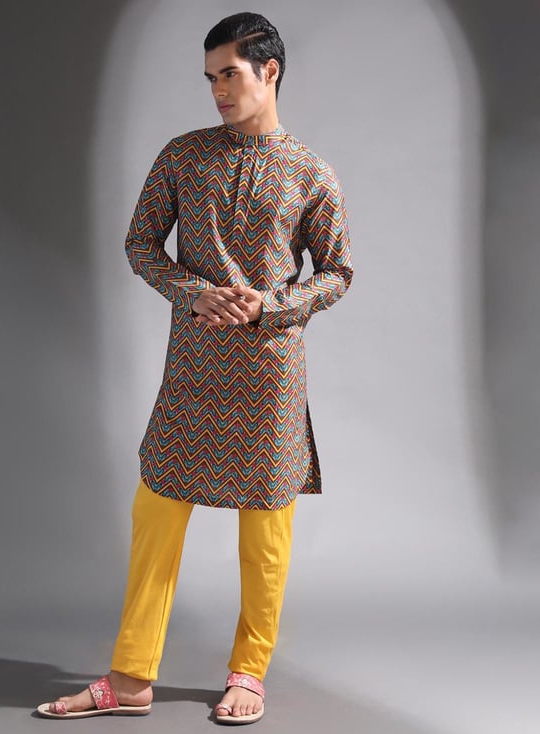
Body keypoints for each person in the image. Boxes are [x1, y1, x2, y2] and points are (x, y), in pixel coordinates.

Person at [37, 11, 352, 725]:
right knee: (157, 511)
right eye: (210, 78)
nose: (218, 91)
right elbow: (141, 244)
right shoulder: (183, 156)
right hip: (194, 365)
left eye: (229, 74)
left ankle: (249, 673)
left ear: (270, 70)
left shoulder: (311, 172)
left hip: (271, 372)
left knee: (265, 530)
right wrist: (194, 292)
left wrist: (273, 306)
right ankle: (130, 677)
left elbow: (337, 272)